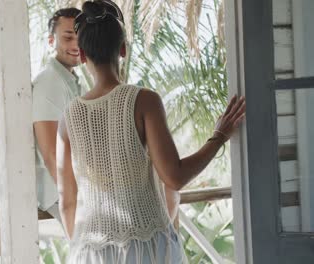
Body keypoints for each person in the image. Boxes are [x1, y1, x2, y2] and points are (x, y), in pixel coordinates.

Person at [56, 1, 246, 263]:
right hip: (146, 249)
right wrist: (219, 137)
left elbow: (66, 201)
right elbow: (174, 177)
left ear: (83, 56)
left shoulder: (68, 117)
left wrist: (82, 248)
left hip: (90, 252)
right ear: (122, 49)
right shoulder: (143, 100)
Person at [32, 7, 86, 221]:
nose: (76, 44)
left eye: (81, 37)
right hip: (62, 195)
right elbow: (51, 154)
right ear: (51, 41)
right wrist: (76, 204)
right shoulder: (50, 81)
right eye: (68, 37)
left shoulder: (68, 80)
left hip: (77, 191)